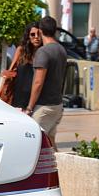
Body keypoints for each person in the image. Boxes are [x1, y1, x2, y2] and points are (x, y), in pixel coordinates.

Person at [25, 16, 67, 150]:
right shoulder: (61, 49)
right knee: (50, 142)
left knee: (33, 142)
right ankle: (59, 168)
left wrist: (29, 108)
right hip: (57, 105)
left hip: (44, 107)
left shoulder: (43, 52)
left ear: (41, 31)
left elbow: (38, 82)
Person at [4, 22, 41, 110]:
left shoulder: (43, 52)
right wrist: (1, 91)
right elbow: (11, 71)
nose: (36, 37)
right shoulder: (21, 50)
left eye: (39, 34)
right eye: (33, 34)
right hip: (19, 98)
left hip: (36, 98)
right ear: (28, 36)